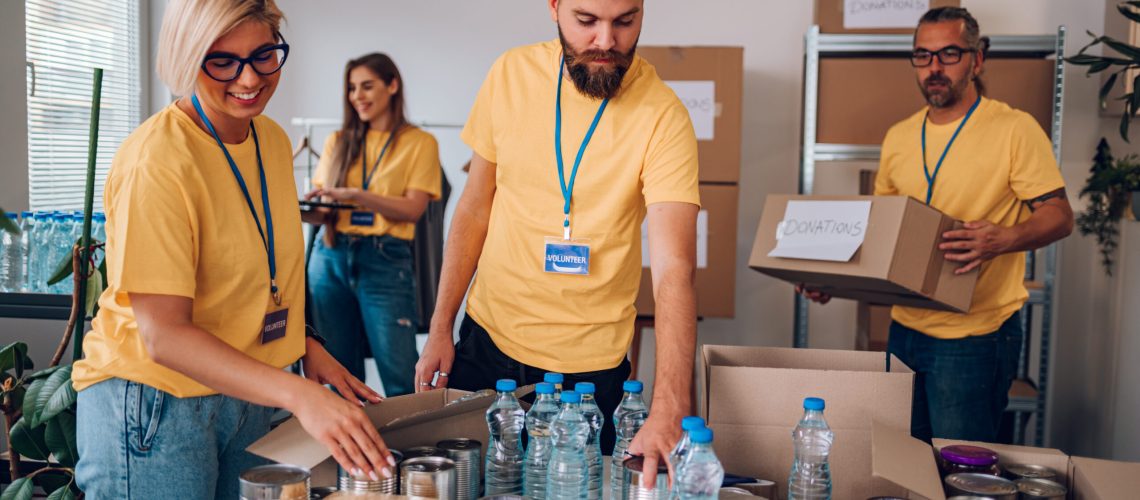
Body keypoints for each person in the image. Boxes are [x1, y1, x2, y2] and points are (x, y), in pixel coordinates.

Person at [71, 1, 395, 497]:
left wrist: (305, 347)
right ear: (187, 57)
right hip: (157, 402)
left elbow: (262, 274)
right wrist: (302, 396)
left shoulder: (270, 139)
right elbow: (166, 337)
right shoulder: (155, 161)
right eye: (222, 60)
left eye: (264, 55)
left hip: (247, 390)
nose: (249, 78)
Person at [415, 0, 700, 486]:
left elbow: (675, 267)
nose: (607, 41)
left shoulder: (663, 115)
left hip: (591, 376)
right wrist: (441, 323)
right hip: (488, 345)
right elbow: (475, 207)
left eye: (625, 21)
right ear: (554, 7)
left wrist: (671, 402)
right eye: (586, 21)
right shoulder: (510, 74)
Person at [800, 6, 1073, 443]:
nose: (934, 68)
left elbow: (1060, 216)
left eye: (949, 54)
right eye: (923, 56)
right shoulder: (900, 136)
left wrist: (1003, 239)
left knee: (961, 468)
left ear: (977, 59)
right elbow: (879, 234)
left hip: (975, 335)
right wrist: (834, 280)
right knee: (906, 461)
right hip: (905, 329)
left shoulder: (1014, 129)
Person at [302, 53, 442, 397]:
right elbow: (323, 215)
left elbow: (412, 210)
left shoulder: (419, 143)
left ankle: (410, 449)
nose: (357, 96)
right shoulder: (338, 142)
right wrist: (296, 209)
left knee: (400, 376)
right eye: (351, 88)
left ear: (392, 85)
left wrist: (357, 195)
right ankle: (347, 450)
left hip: (385, 260)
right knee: (338, 375)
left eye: (367, 86)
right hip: (330, 256)